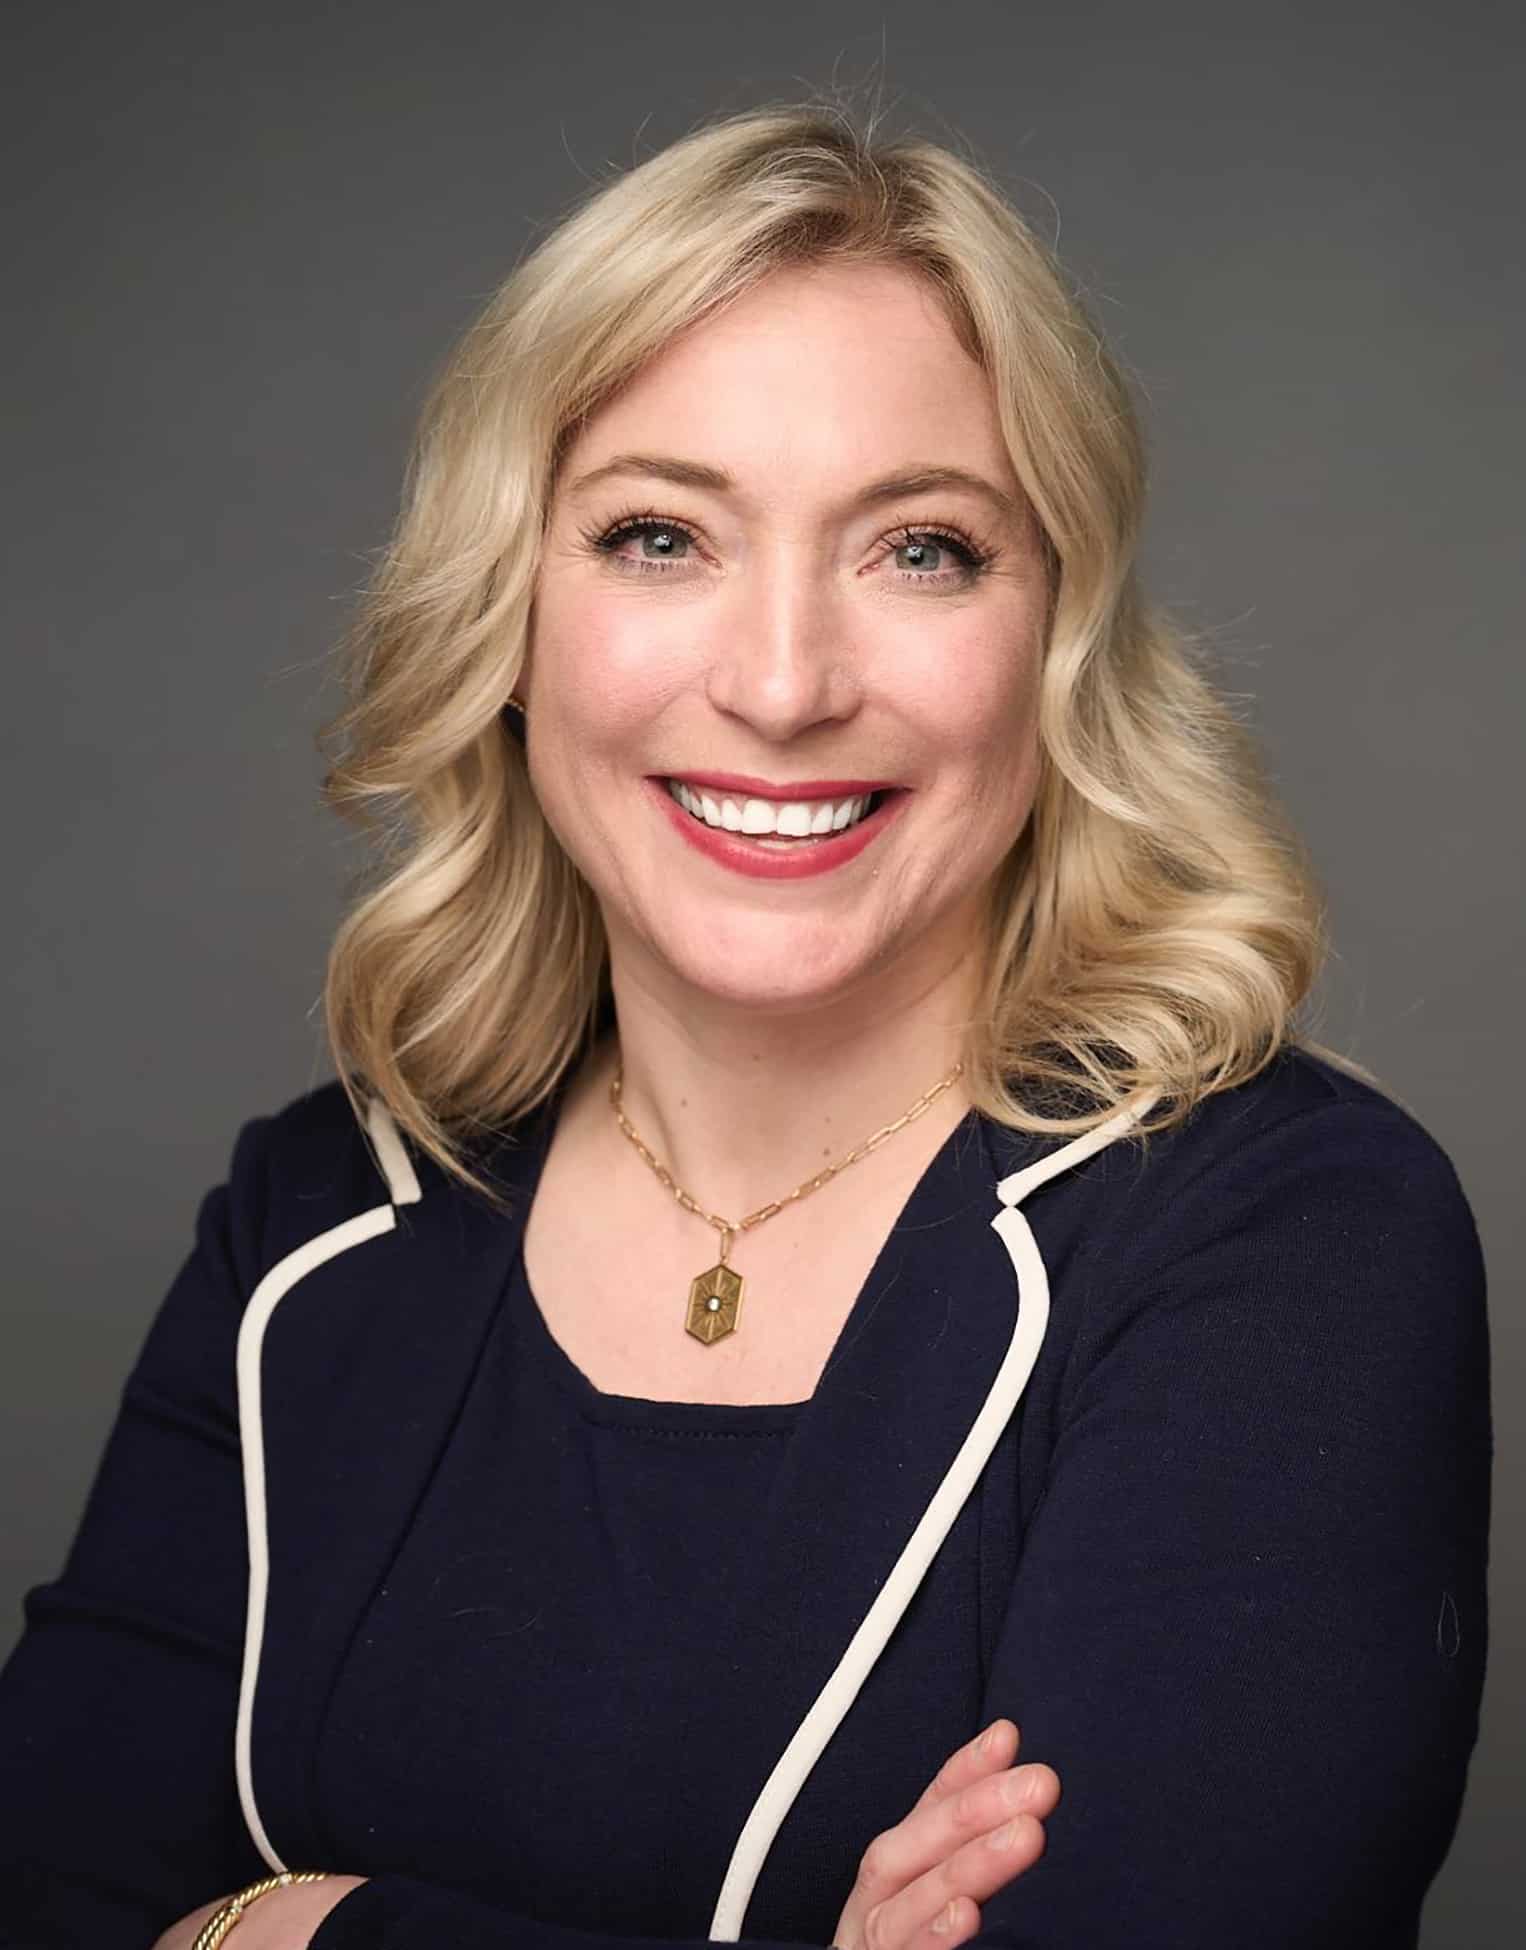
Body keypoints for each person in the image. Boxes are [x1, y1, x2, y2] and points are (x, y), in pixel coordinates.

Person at [0, 95, 1492, 1950]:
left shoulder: (1283, 1238)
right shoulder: (312, 1226)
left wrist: (298, 1930)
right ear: (507, 615)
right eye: (654, 537)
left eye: (921, 548)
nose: (781, 684)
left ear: (1058, 632)